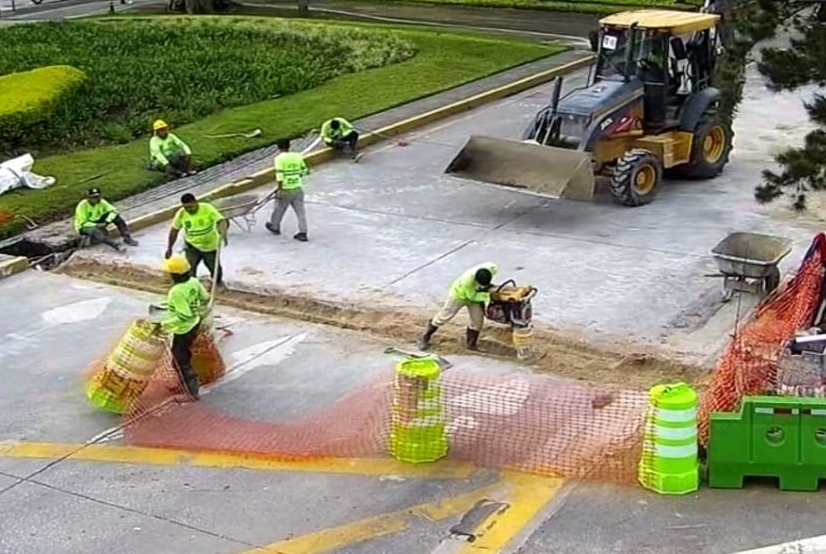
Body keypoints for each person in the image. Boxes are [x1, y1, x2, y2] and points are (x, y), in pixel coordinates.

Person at [156, 255, 210, 400]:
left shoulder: (176, 292)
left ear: (174, 275)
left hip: (184, 329)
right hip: (195, 323)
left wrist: (163, 325)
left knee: (180, 360)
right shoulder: (193, 282)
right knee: (182, 355)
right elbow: (205, 297)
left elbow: (184, 316)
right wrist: (199, 309)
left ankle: (192, 392)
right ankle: (183, 384)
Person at [417, 262, 499, 351]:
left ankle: (471, 344)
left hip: (476, 294)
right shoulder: (467, 281)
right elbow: (471, 296)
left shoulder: (492, 268)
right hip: (459, 295)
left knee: (477, 321)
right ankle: (425, 336)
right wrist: (489, 296)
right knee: (444, 316)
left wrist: (487, 288)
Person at [165, 193, 228, 287]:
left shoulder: (207, 209)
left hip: (209, 246)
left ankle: (218, 283)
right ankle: (192, 286)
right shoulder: (181, 213)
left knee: (215, 269)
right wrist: (169, 248)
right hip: (192, 246)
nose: (189, 210)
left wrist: (222, 233)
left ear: (195, 202)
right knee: (189, 268)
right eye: (186, 208)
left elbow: (222, 221)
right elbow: (174, 230)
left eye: (191, 207)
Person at [266, 138, 310, 242]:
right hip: (298, 188)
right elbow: (305, 171)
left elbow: (280, 176)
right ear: (289, 146)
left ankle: (275, 227)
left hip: (286, 189)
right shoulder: (297, 156)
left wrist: (279, 189)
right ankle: (303, 232)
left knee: (278, 209)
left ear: (278, 147)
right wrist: (295, 175)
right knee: (301, 213)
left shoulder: (279, 159)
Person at [73, 188, 139, 251]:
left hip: (97, 220)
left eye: (97, 196)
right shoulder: (82, 206)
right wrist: (97, 225)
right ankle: (116, 245)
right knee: (95, 231)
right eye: (93, 197)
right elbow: (83, 222)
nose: (95, 199)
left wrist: (107, 221)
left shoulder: (102, 202)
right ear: (88, 197)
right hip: (84, 226)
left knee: (118, 218)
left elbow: (114, 211)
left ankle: (127, 238)